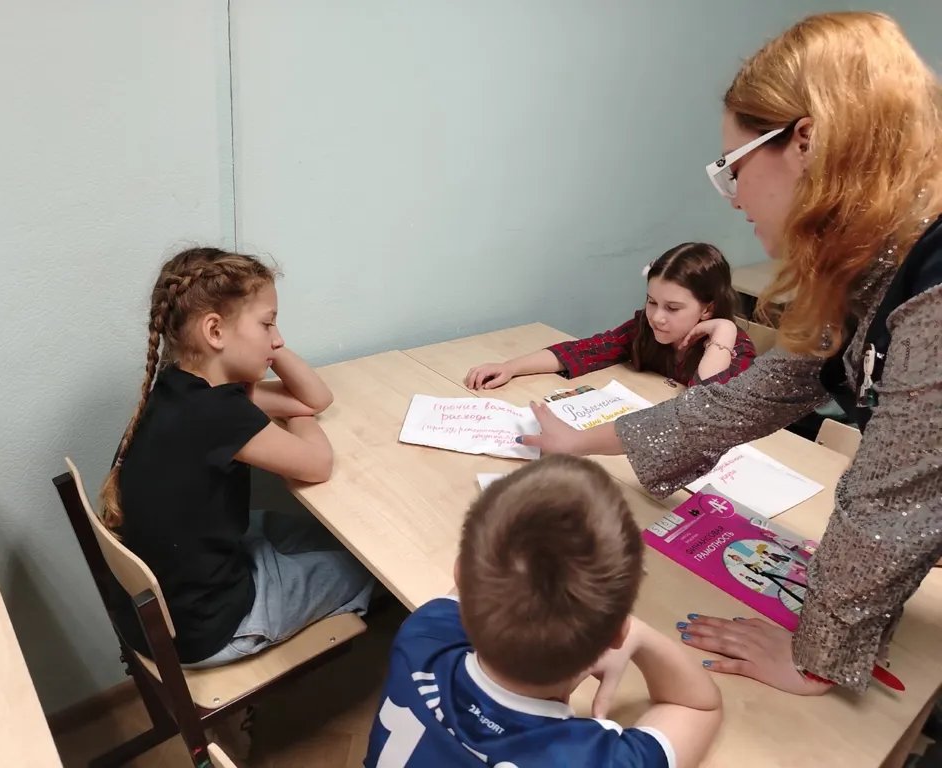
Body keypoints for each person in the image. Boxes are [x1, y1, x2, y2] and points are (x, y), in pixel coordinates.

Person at [518, 11, 942, 696]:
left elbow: (887, 499)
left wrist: (817, 655)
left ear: (807, 140)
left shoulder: (932, 279)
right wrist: (581, 442)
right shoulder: (869, 265)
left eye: (733, 169)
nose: (734, 197)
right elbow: (743, 400)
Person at [100, 247, 376, 667]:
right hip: (212, 626)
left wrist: (266, 350)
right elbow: (318, 464)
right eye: (267, 324)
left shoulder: (181, 387)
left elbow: (317, 398)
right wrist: (295, 413)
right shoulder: (219, 414)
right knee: (368, 565)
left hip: (170, 608)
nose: (278, 339)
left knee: (333, 537)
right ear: (215, 331)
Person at [363, 455, 722, 768]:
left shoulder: (422, 637)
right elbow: (698, 706)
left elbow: (480, 579)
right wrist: (636, 634)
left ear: (458, 572)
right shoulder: (598, 760)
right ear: (617, 635)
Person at [464, 242, 756, 391]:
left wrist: (724, 330)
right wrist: (510, 367)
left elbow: (706, 405)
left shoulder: (736, 352)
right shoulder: (644, 328)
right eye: (652, 302)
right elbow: (586, 350)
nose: (657, 317)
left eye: (673, 308)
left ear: (707, 308)